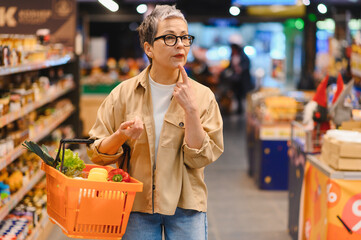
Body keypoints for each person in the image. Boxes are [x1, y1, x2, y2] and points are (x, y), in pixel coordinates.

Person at [87, 4, 224, 240]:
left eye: (184, 37)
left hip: (186, 206)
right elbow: (96, 151)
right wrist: (121, 135)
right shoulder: (123, 94)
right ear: (148, 48)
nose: (180, 44)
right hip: (136, 205)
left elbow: (202, 156)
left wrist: (191, 110)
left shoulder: (202, 96)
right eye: (170, 38)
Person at [219, 34, 252, 114]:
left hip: (242, 80)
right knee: (236, 95)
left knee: (242, 95)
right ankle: (238, 108)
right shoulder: (233, 55)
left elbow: (246, 66)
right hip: (235, 80)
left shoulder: (243, 56)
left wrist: (240, 69)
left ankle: (241, 109)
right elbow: (230, 66)